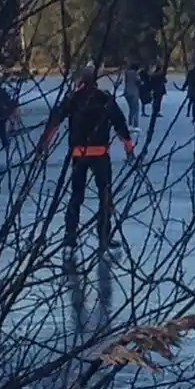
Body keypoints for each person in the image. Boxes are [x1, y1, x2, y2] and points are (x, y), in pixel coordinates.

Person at [40, 66, 134, 266]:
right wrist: (128, 147)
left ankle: (70, 237)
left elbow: (55, 120)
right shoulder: (105, 99)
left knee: (76, 195)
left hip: (79, 154)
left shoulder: (74, 99)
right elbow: (120, 123)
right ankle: (104, 237)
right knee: (105, 196)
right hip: (100, 154)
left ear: (81, 80)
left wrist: (44, 144)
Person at [123, 63, 141, 129]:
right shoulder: (135, 73)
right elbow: (138, 81)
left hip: (127, 92)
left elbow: (126, 82)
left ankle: (130, 124)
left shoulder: (127, 73)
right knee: (136, 109)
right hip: (134, 93)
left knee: (131, 109)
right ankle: (135, 125)